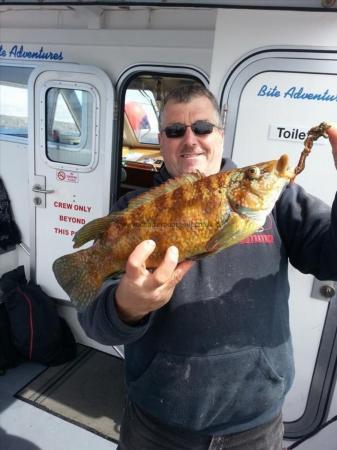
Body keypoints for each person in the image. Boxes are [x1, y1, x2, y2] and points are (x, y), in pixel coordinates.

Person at [79, 84, 337, 450]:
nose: (190, 140)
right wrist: (127, 305)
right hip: (156, 427)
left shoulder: (276, 200)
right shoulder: (131, 211)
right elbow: (94, 321)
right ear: (162, 140)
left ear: (221, 133)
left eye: (202, 128)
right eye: (175, 131)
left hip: (256, 428)